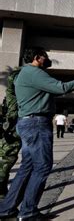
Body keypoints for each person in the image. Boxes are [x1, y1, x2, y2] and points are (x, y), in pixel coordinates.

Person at [0, 47, 74, 220]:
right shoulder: (34, 73)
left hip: (27, 122)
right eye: (45, 57)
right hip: (36, 123)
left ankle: (7, 208)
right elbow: (60, 87)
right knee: (42, 166)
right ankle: (28, 212)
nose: (47, 60)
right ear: (37, 58)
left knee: (27, 166)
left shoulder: (23, 73)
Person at [0, 68, 22, 199]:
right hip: (13, 126)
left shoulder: (10, 92)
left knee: (7, 158)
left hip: (11, 125)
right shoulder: (20, 76)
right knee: (7, 158)